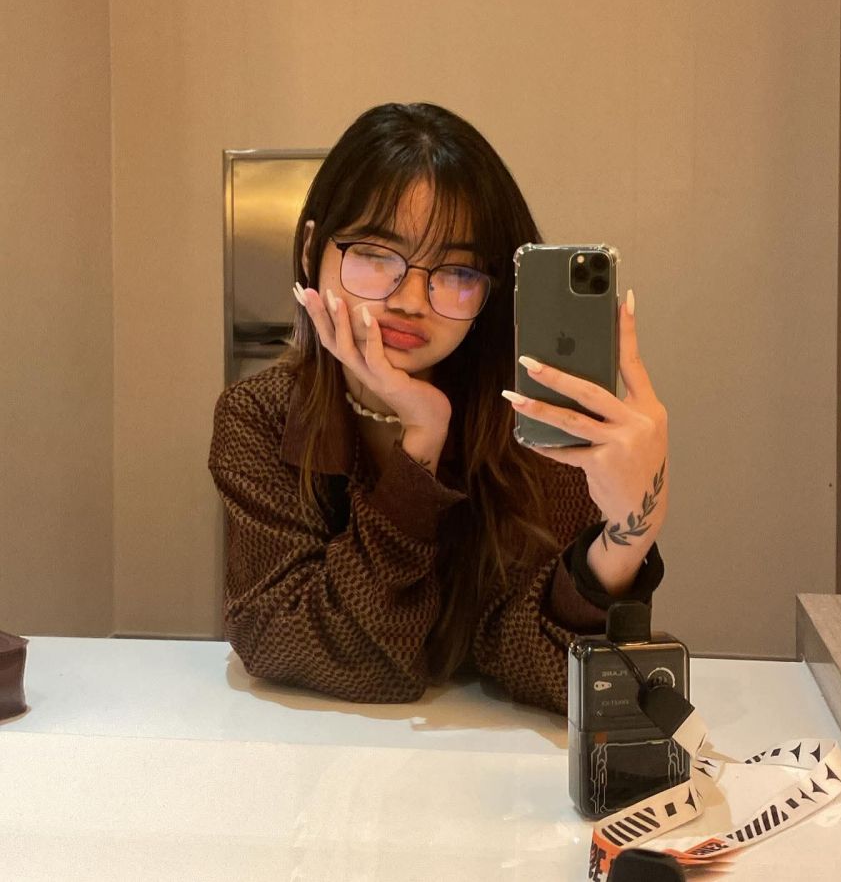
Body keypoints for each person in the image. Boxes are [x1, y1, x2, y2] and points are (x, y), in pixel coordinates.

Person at [208, 102, 668, 714]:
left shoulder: (530, 422)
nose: (409, 299)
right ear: (312, 250)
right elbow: (308, 648)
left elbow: (556, 676)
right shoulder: (259, 417)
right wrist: (420, 443)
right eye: (376, 254)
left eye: (455, 271)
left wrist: (627, 535)